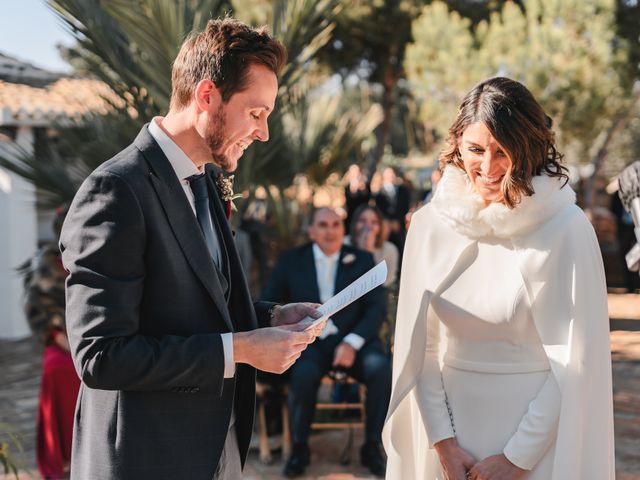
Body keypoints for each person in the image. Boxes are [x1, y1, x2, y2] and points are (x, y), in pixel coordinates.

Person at [60, 18, 326, 480]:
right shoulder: (115, 191)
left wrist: (269, 317)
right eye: (256, 113)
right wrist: (241, 349)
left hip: (213, 451)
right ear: (207, 96)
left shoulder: (203, 180)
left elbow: (199, 307)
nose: (263, 133)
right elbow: (101, 356)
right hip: (146, 457)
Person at [382, 77, 614, 479]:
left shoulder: (567, 227)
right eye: (475, 150)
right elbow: (422, 347)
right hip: (450, 440)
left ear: (528, 148)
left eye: (502, 152)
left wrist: (516, 458)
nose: (487, 168)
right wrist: (444, 445)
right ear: (457, 144)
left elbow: (576, 362)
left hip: (537, 443)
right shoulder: (430, 224)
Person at [262, 207, 391, 478]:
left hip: (353, 340)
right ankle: (299, 448)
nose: (330, 230)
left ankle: (372, 446)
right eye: (322, 225)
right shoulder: (290, 260)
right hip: (310, 343)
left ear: (343, 230)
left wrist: (352, 342)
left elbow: (376, 309)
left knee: (381, 369)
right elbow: (271, 302)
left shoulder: (363, 259)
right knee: (303, 374)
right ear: (311, 230)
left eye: (335, 224)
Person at [21, 205, 80, 479]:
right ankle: (65, 457)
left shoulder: (101, 255)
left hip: (98, 338)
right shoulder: (47, 264)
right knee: (62, 369)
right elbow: (39, 311)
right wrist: (63, 340)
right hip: (60, 341)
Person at [345, 204, 399, 287]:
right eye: (362, 221)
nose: (368, 227)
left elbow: (387, 282)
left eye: (374, 222)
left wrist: (368, 253)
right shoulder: (344, 244)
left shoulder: (390, 250)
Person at [374, 166, 411, 255]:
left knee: (400, 251)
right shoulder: (379, 193)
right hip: (385, 228)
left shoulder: (403, 191)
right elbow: (379, 210)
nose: (391, 175)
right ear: (384, 175)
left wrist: (398, 221)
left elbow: (405, 207)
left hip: (399, 227)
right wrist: (388, 223)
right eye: (389, 173)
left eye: (393, 173)